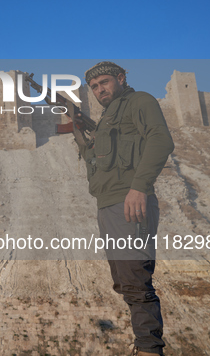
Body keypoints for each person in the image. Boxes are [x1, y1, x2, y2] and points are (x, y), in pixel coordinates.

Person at [73, 62, 174, 356]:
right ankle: (145, 344)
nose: (99, 90)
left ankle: (149, 349)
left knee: (135, 277)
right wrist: (80, 133)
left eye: (104, 82)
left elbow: (161, 139)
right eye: (93, 86)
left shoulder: (139, 101)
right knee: (125, 281)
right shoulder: (108, 117)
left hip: (131, 202)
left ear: (120, 78)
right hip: (108, 205)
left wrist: (140, 186)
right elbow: (100, 159)